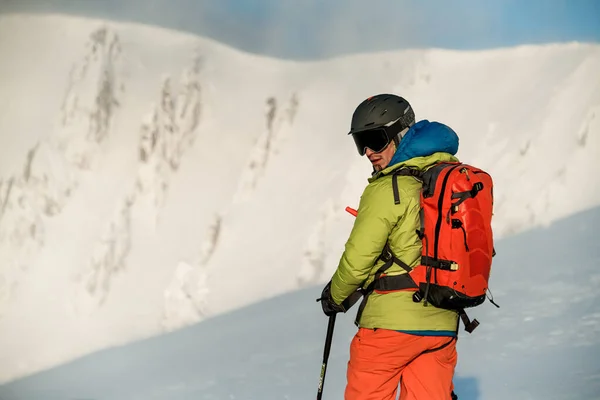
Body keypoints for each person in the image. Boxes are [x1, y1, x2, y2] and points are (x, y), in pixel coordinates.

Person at [320, 94, 460, 400]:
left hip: (388, 328)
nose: (368, 151)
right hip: (442, 324)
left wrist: (335, 296)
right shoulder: (447, 178)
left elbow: (358, 259)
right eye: (361, 143)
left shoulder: (387, 188)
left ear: (400, 133)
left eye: (376, 140)